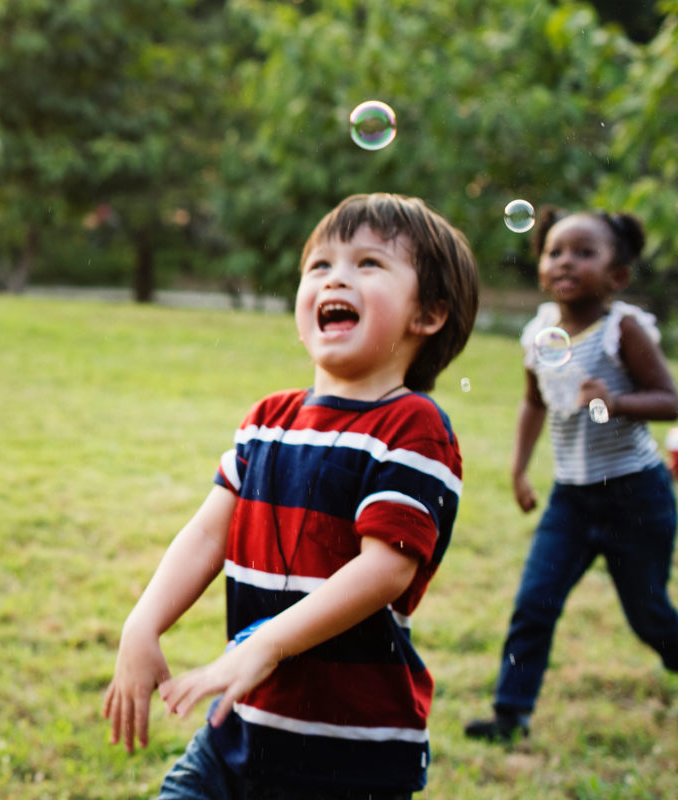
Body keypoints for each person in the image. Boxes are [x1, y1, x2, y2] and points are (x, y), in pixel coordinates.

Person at [104, 194, 478, 799]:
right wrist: (142, 624)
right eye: (320, 265)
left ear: (428, 315)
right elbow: (207, 533)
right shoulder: (267, 420)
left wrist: (266, 645)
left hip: (350, 754)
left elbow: (384, 569)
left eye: (368, 264)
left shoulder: (412, 427)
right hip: (240, 731)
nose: (336, 276)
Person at [464, 206, 678, 741]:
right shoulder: (538, 334)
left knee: (648, 613)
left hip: (636, 496)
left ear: (617, 275)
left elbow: (670, 400)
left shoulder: (621, 329)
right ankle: (510, 714)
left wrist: (617, 401)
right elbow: (533, 404)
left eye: (585, 253)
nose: (565, 262)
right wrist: (518, 471)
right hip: (571, 498)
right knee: (534, 602)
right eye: (556, 251)